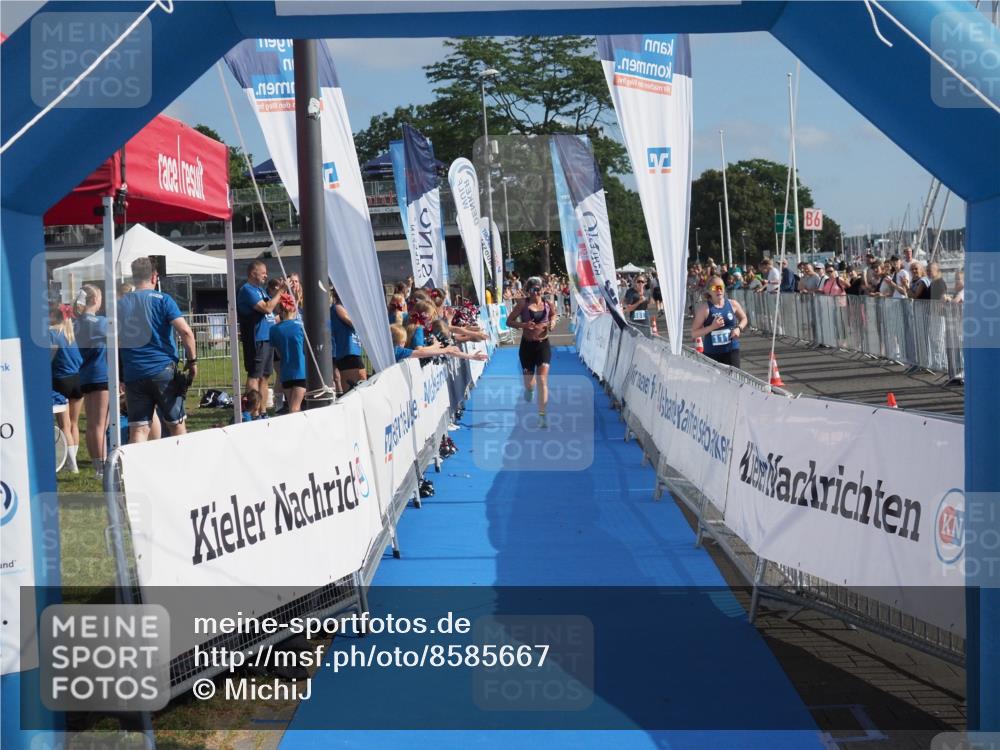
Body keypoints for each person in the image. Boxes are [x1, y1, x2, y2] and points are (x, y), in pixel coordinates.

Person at [118, 256, 197, 443]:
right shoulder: (163, 300)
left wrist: (120, 373)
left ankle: (136, 471)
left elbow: (115, 340)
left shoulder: (121, 304)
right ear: (154, 277)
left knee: (138, 429)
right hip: (162, 370)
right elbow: (185, 331)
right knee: (176, 423)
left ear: (133, 277)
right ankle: (181, 465)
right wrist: (192, 361)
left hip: (134, 372)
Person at [506, 276, 556, 426]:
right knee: (530, 383)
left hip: (543, 345)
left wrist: (552, 323)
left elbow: (554, 316)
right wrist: (524, 326)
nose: (536, 293)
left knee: (542, 380)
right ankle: (529, 389)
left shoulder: (548, 304)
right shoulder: (522, 304)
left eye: (538, 289)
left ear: (542, 290)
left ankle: (542, 415)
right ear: (528, 291)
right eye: (532, 290)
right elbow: (508, 321)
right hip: (527, 346)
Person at [73, 284, 110, 477]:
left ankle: (98, 464)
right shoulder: (98, 322)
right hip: (100, 374)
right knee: (100, 425)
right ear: (95, 300)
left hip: (86, 374)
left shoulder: (78, 322)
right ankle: (102, 467)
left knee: (92, 424)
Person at [237, 260, 280, 418]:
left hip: (268, 338)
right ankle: (250, 411)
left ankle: (261, 410)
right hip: (257, 339)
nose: (266, 275)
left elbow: (272, 312)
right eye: (263, 272)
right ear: (253, 273)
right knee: (254, 375)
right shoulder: (247, 290)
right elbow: (267, 308)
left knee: (265, 376)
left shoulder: (261, 291)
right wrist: (279, 293)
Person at [50, 304, 83, 473]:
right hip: (77, 380)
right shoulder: (70, 334)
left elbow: (48, 358)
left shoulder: (52, 333)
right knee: (74, 424)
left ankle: (72, 465)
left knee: (64, 425)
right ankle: (73, 461)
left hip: (60, 380)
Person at [691, 276, 748, 368]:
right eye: (714, 288)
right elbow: (694, 333)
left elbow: (744, 318)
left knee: (735, 380)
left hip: (731, 350)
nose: (718, 290)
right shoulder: (705, 309)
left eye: (720, 287)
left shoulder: (733, 304)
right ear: (709, 291)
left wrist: (739, 328)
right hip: (712, 353)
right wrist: (712, 327)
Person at [268, 293, 307, 413]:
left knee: (292, 406)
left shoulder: (274, 329)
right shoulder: (301, 326)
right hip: (300, 371)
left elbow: (278, 353)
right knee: (295, 408)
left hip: (285, 372)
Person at [330, 290, 366, 391]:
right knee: (352, 389)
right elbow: (351, 322)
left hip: (353, 352)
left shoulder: (348, 309)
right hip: (347, 353)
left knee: (362, 382)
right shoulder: (337, 307)